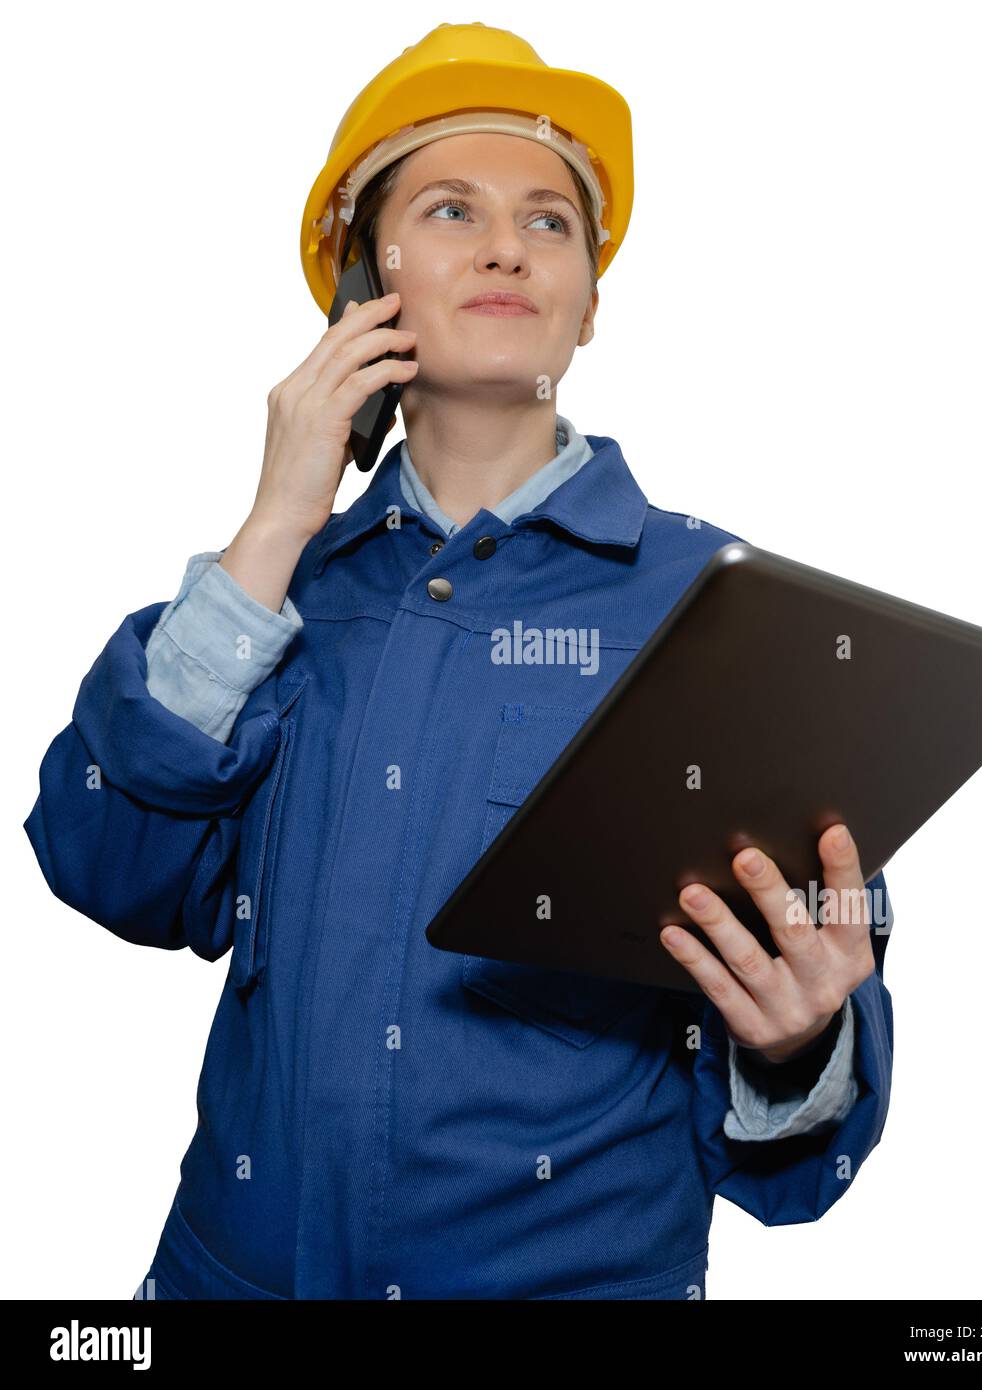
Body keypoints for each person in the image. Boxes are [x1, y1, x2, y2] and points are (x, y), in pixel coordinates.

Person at [23, 23, 894, 1301]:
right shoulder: (272, 600)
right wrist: (273, 526)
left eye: (550, 221)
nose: (506, 246)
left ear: (589, 303)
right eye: (450, 209)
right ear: (360, 288)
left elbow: (799, 1102)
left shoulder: (718, 613)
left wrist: (801, 1040)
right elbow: (111, 872)